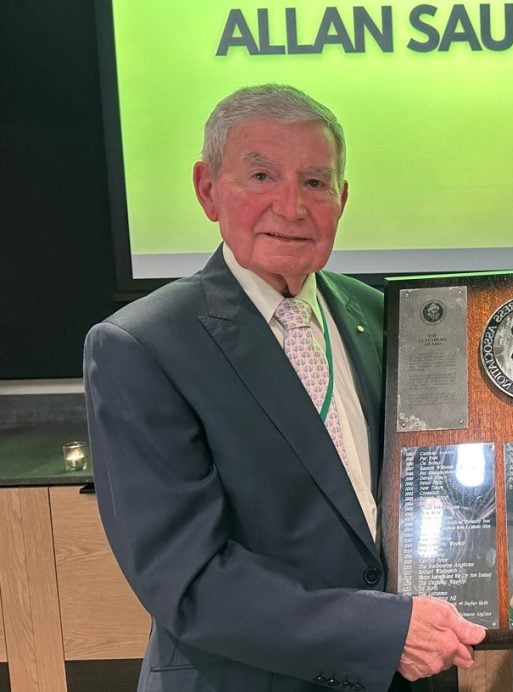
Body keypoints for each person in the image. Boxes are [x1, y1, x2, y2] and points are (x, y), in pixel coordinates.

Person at [84, 84, 485, 692]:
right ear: (207, 188)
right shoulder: (141, 346)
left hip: (411, 674)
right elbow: (188, 581)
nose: (292, 206)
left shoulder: (383, 317)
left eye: (316, 183)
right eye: (262, 175)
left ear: (342, 199)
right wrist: (379, 632)